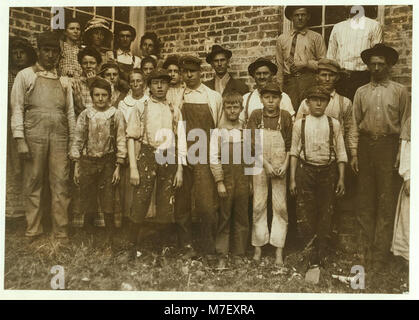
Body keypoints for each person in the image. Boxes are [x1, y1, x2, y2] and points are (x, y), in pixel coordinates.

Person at [10, 31, 76, 242]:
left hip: (59, 135)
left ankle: (61, 231)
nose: (50, 55)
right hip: (33, 134)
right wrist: (20, 139)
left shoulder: (65, 81)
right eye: (46, 50)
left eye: (54, 51)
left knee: (60, 182)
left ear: (59, 55)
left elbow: (70, 113)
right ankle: (33, 229)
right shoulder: (25, 76)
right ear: (39, 52)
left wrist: (73, 142)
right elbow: (17, 108)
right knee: (33, 180)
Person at [351, 44, 410, 272]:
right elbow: (355, 125)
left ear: (389, 66)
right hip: (366, 147)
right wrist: (355, 153)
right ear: (368, 66)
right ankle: (363, 254)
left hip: (388, 146)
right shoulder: (361, 92)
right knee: (365, 201)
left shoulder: (399, 91)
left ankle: (380, 257)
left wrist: (399, 155)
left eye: (380, 64)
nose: (376, 68)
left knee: (385, 203)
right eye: (372, 64)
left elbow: (406, 125)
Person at [125, 69, 185, 258]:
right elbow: (131, 137)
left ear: (168, 85)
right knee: (141, 198)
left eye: (163, 83)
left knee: (166, 200)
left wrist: (180, 170)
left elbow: (181, 139)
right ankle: (131, 244)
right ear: (149, 86)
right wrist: (134, 168)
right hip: (147, 153)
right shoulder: (141, 107)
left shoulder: (174, 109)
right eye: (155, 83)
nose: (159, 86)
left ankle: (163, 246)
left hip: (168, 155)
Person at [296, 58, 357, 241]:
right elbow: (298, 130)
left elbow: (351, 129)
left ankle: (329, 241)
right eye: (323, 74)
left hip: (332, 161)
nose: (327, 78)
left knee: (331, 202)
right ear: (317, 77)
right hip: (308, 162)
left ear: (336, 78)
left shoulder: (344, 103)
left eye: (331, 75)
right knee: (309, 203)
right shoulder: (306, 103)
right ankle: (310, 243)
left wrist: (350, 154)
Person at [289, 86, 346, 267]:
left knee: (326, 211)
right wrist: (291, 179)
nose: (319, 103)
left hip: (328, 171)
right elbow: (294, 153)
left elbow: (341, 153)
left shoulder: (334, 124)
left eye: (323, 100)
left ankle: (322, 253)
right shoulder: (300, 124)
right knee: (306, 212)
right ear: (308, 103)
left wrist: (342, 178)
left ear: (328, 103)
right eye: (315, 100)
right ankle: (309, 253)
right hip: (306, 171)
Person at [71, 78, 127, 249]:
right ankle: (88, 237)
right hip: (88, 161)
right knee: (87, 198)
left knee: (108, 199)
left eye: (104, 95)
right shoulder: (85, 115)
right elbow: (78, 139)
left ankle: (110, 237)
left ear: (110, 96)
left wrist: (118, 166)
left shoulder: (115, 114)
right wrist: (76, 166)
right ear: (92, 96)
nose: (100, 98)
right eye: (97, 95)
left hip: (108, 162)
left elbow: (121, 139)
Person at [178, 55, 223, 261]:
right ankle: (187, 245)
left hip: (205, 154)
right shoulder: (178, 96)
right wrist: (181, 157)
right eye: (185, 71)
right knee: (183, 203)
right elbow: (176, 129)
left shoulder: (213, 96)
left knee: (206, 204)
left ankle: (208, 247)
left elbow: (218, 128)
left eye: (192, 71)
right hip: (184, 154)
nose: (189, 75)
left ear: (200, 72)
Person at [247, 81, 293, 266]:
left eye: (274, 97)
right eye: (267, 97)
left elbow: (291, 144)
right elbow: (251, 143)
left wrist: (285, 164)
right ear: (261, 99)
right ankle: (258, 247)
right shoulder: (256, 115)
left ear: (280, 99)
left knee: (280, 207)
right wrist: (265, 164)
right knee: (258, 204)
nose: (271, 101)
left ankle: (278, 250)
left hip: (281, 163)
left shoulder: (286, 116)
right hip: (260, 163)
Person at [209, 91, 250, 269]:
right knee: (224, 216)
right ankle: (222, 254)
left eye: (236, 107)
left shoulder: (245, 129)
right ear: (224, 108)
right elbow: (213, 157)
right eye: (229, 107)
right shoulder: (218, 131)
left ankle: (239, 253)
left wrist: (250, 181)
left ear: (241, 109)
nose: (232, 110)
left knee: (242, 216)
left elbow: (250, 156)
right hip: (226, 179)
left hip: (242, 178)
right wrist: (219, 181)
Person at [6, 37, 37, 220]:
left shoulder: (29, 75)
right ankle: (10, 211)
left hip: (26, 124)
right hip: (9, 123)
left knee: (26, 167)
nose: (18, 56)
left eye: (22, 53)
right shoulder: (8, 73)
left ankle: (25, 211)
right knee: (10, 167)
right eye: (14, 53)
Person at [327, 6, 383, 101]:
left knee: (362, 110)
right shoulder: (338, 27)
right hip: (342, 79)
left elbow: (377, 56)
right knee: (343, 110)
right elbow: (331, 57)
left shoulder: (374, 25)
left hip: (364, 77)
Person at [276, 6, 326, 111]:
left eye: (303, 15)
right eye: (296, 15)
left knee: (308, 112)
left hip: (309, 81)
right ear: (291, 17)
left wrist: (306, 64)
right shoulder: (282, 39)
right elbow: (279, 66)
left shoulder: (316, 37)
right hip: (289, 82)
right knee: (289, 112)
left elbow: (324, 64)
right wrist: (279, 90)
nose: (300, 18)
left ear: (308, 16)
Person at [117, 69, 148, 225]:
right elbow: (121, 128)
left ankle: (144, 220)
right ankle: (128, 220)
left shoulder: (149, 101)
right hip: (129, 143)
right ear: (129, 84)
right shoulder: (124, 104)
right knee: (129, 182)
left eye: (139, 81)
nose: (136, 84)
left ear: (144, 83)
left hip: (144, 143)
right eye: (133, 81)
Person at [241, 57, 295, 125]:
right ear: (254, 76)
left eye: (265, 73)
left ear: (272, 75)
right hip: (255, 135)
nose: (262, 77)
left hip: (278, 134)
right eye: (258, 74)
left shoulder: (284, 97)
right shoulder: (246, 99)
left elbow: (290, 124)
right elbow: (242, 125)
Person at [391, 116, 410, 263]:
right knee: (409, 215)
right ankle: (407, 256)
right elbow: (407, 149)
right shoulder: (412, 121)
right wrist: (408, 176)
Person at [73, 46, 102, 117]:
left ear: (97, 65)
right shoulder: (75, 83)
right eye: (85, 63)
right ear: (81, 64)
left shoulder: (105, 83)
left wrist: (92, 84)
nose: (88, 66)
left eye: (92, 63)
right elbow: (77, 108)